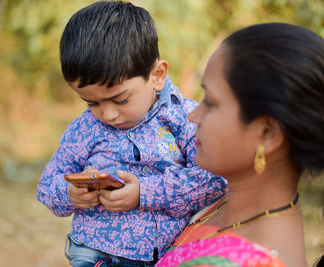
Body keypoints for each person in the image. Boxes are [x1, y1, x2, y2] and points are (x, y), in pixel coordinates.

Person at [37, 1, 227, 266]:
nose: (108, 114)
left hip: (163, 255)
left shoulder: (184, 118)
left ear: (157, 75)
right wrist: (70, 194)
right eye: (91, 103)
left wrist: (145, 193)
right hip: (93, 255)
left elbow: (215, 179)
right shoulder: (84, 130)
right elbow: (47, 187)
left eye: (120, 100)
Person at [156, 22, 324, 267]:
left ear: (267, 132)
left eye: (211, 102)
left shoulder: (245, 261)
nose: (193, 116)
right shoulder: (229, 200)